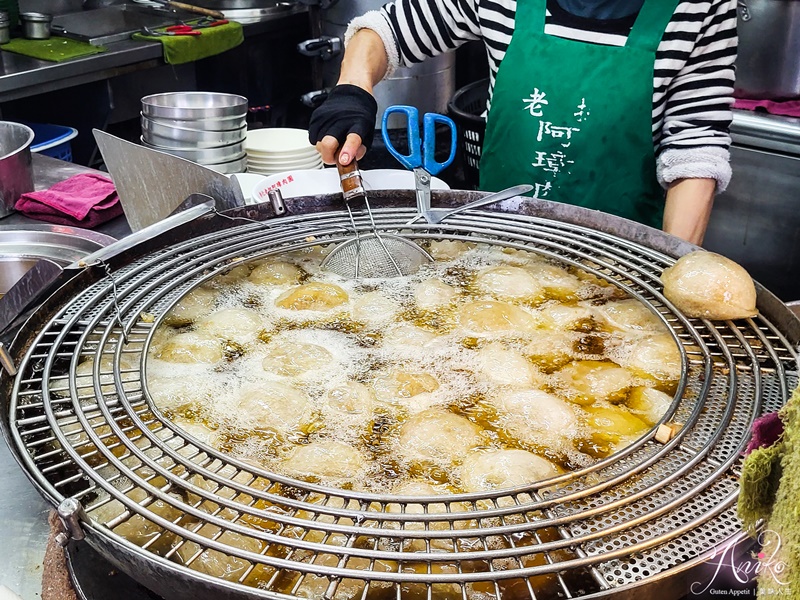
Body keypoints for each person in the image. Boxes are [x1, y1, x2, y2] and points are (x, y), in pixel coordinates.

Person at [307, 0, 738, 245]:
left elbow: (695, 151)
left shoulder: (701, 9)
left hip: (621, 260)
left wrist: (671, 268)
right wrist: (352, 90)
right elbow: (384, 32)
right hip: (498, 250)